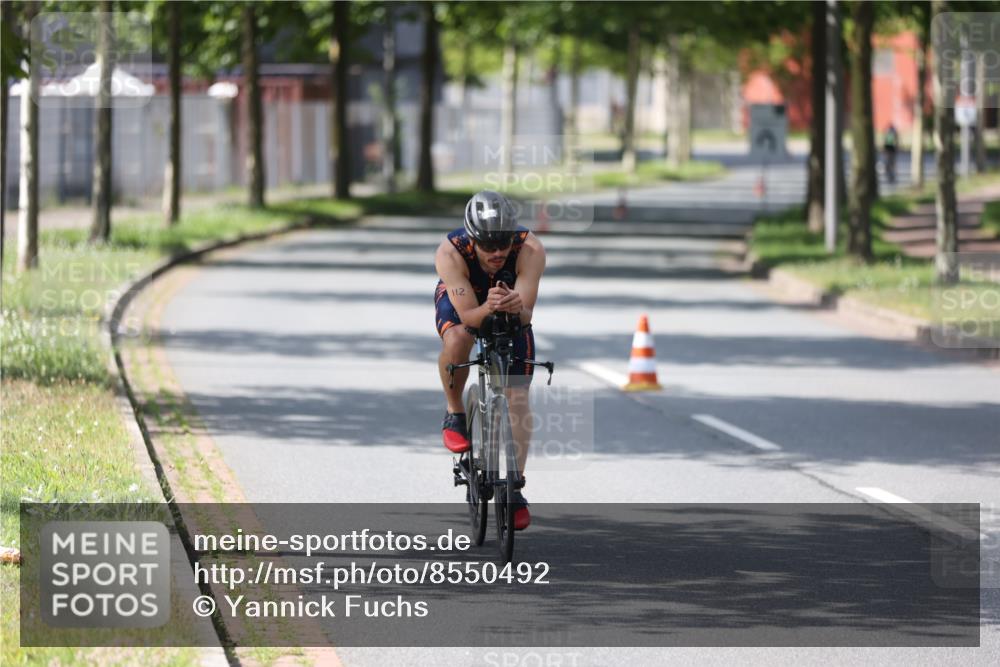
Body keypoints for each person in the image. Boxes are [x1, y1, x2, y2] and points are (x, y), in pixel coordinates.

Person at [434, 191, 546, 530]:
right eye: (488, 246)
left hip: (510, 306)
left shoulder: (530, 249)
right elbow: (468, 317)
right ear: (473, 240)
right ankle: (455, 411)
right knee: (457, 338)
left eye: (503, 245)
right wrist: (489, 306)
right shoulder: (451, 252)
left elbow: (525, 316)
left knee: (518, 397)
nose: (498, 253)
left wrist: (512, 305)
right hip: (467, 300)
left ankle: (515, 487)